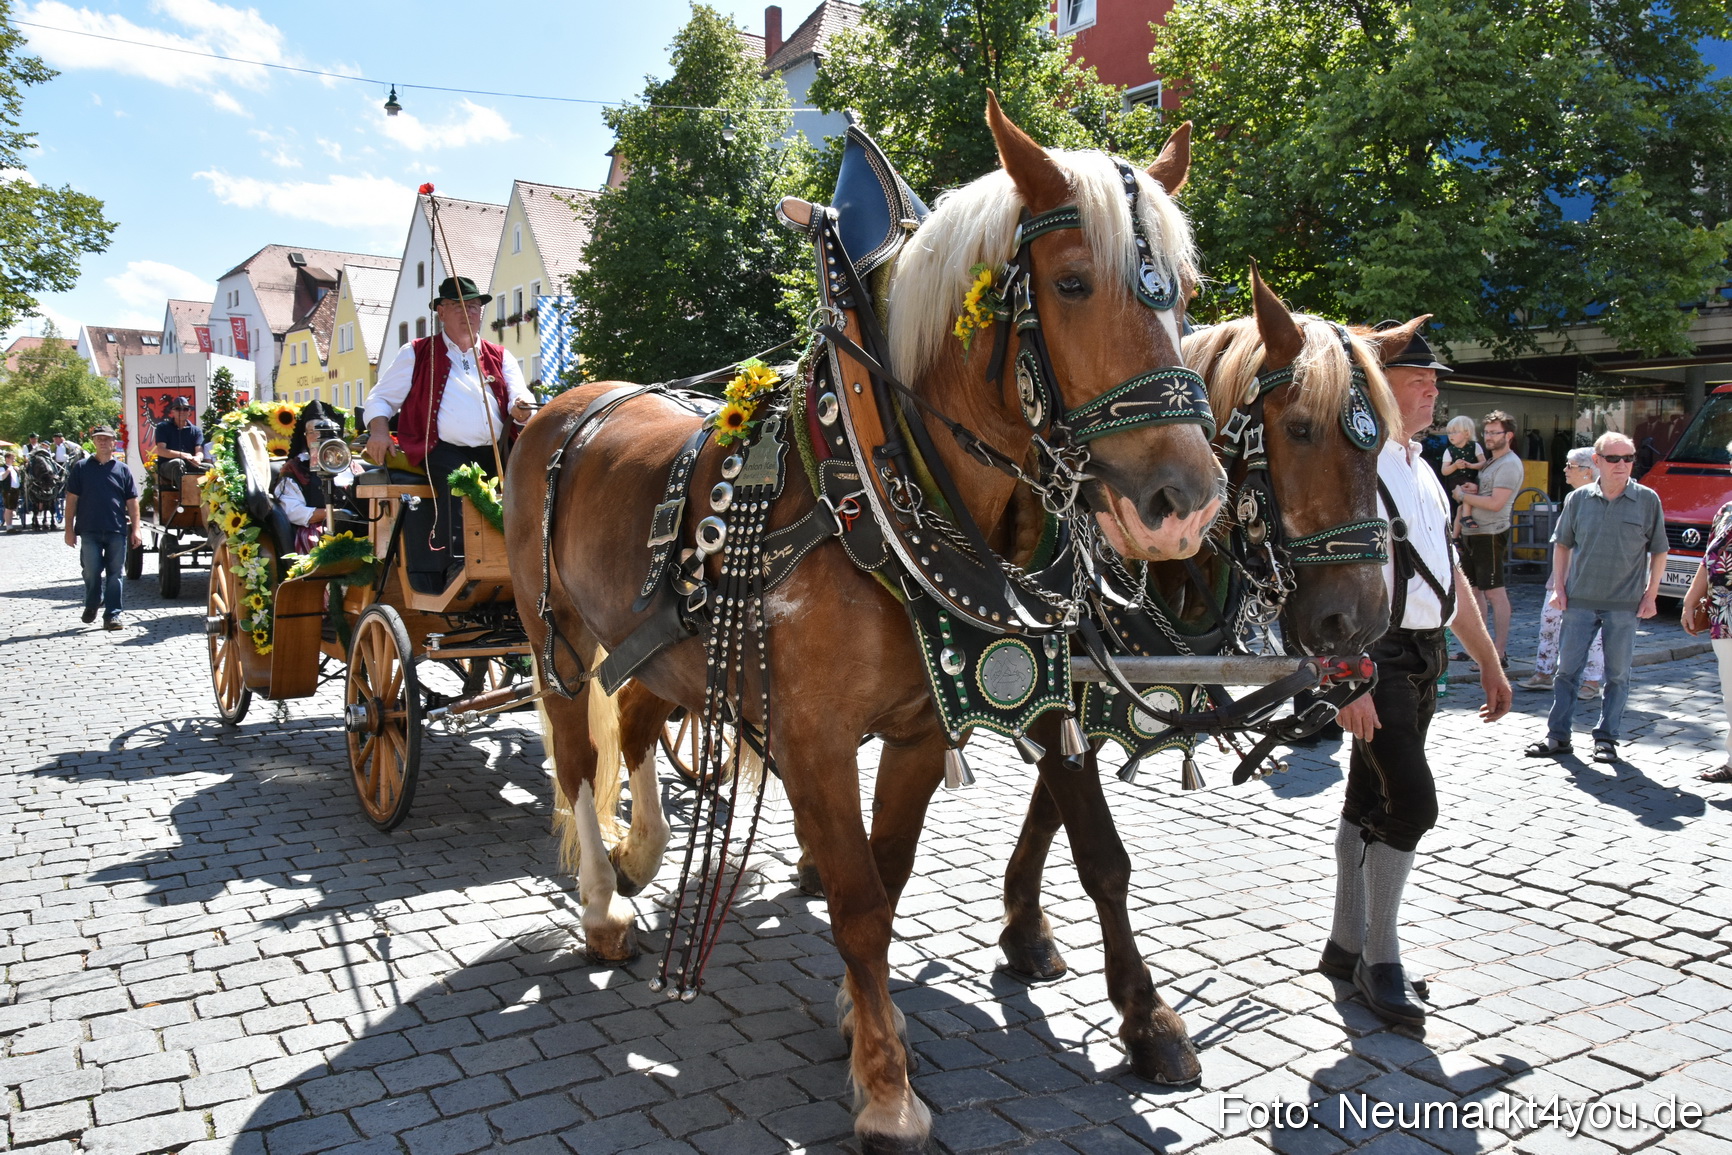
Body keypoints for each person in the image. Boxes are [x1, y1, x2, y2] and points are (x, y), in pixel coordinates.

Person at [1322, 322, 1511, 1029]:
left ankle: (1344, 946)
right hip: (1375, 652)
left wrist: (1488, 659)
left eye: (1435, 382)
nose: (1433, 390)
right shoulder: (1353, 463)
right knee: (1412, 804)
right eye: (1418, 380)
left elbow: (1449, 577)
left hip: (1426, 653)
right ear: (1379, 386)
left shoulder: (1423, 467)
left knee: (1367, 796)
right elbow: (1321, 578)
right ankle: (1380, 961)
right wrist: (1345, 677)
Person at [364, 276, 533, 587]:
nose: (468, 313)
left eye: (474, 306)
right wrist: (379, 431)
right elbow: (380, 399)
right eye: (458, 306)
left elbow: (519, 396)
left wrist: (521, 408)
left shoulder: (500, 355)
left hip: (497, 449)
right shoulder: (416, 352)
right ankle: (457, 566)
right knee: (460, 484)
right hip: (440, 448)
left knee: (533, 486)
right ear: (441, 312)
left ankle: (531, 563)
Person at [1524, 431, 1667, 764]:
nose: (1622, 464)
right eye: (1614, 458)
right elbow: (1562, 545)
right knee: (1566, 672)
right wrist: (1559, 589)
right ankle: (1558, 736)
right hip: (1579, 600)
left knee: (1617, 676)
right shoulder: (1578, 499)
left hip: (1625, 604)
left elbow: (1659, 550)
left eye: (1628, 458)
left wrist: (1651, 595)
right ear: (1597, 461)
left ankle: (1606, 739)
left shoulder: (1647, 500)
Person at [1520, 446, 1605, 699]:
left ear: (1588, 470)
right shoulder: (1572, 498)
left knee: (1593, 629)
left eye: (1570, 466)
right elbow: (1562, 541)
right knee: (1549, 621)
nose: (1565, 470)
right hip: (1562, 573)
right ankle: (1544, 672)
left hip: (1591, 576)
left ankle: (1591, 680)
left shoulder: (1602, 499)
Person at [1453, 410, 1523, 665]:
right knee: (1473, 593)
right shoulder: (1492, 462)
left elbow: (1495, 503)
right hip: (1472, 531)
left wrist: (1464, 496)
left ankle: (1499, 653)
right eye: (1487, 432)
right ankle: (1476, 648)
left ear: (1509, 435)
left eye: (1495, 432)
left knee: (1494, 592)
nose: (1489, 437)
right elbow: (1487, 493)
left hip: (1490, 533)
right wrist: (1473, 489)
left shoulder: (1509, 464)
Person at [63, 426, 142, 630]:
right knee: (91, 570)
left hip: (116, 529)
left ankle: (112, 615)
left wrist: (136, 529)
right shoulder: (81, 467)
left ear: (114, 442)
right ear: (94, 442)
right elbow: (71, 500)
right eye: (99, 438)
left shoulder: (122, 469)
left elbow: (132, 501)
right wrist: (68, 529)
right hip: (89, 529)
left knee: (115, 574)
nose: (103, 442)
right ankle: (93, 601)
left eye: (107, 439)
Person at [1682, 481, 1732, 784]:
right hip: (1724, 617)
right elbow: (1708, 559)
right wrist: (1690, 601)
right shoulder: (1726, 511)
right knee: (1731, 693)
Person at [275, 400, 356, 552]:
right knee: (320, 544)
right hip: (316, 528)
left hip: (355, 523)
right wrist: (332, 514)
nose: (317, 437)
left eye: (323, 432)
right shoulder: (295, 468)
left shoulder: (348, 464)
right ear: (305, 437)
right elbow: (292, 511)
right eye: (311, 432)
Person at [152, 396, 205, 496]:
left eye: (185, 409)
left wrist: (198, 458)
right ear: (172, 411)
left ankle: (206, 499)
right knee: (178, 463)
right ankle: (187, 498)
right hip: (168, 466)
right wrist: (183, 455)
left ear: (189, 412)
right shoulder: (163, 427)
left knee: (210, 468)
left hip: (189, 463)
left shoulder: (196, 431)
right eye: (178, 408)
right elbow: (161, 450)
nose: (182, 411)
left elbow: (199, 451)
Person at [1, 452, 19, 533]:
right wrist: (8, 470)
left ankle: (10, 526)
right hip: (8, 490)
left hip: (15, 490)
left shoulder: (14, 468)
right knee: (8, 508)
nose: (14, 460)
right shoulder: (3, 468)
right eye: (12, 458)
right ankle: (8, 527)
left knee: (12, 508)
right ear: (7, 459)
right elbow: (2, 477)